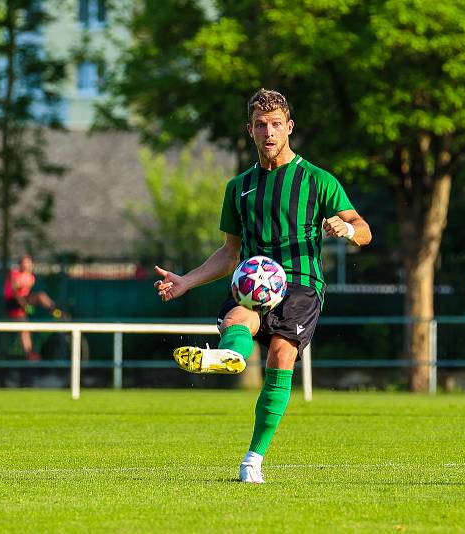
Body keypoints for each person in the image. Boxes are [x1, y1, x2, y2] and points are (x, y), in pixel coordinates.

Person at [153, 88, 371, 484]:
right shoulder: (239, 188)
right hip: (252, 280)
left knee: (280, 355)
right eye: (260, 125)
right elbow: (229, 253)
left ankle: (253, 458)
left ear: (289, 127)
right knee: (238, 317)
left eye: (275, 124)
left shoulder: (317, 180)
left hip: (302, 283)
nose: (268, 132)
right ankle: (228, 357)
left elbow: (364, 229)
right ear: (249, 131)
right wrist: (186, 281)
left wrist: (348, 229)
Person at [3, 255, 64, 361]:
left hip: (23, 301)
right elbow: (15, 293)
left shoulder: (31, 277)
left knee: (41, 296)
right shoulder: (14, 274)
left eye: (29, 262)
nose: (27, 265)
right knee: (24, 329)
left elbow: (25, 294)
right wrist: (25, 306)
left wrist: (27, 306)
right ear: (20, 264)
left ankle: (57, 313)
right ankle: (29, 353)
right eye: (25, 262)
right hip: (13, 302)